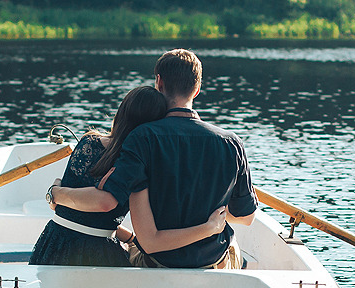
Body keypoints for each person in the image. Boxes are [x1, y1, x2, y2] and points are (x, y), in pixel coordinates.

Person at [49, 49, 257, 269]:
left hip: (158, 262)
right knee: (235, 250)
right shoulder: (232, 143)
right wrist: (213, 220)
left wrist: (56, 193)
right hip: (215, 260)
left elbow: (138, 232)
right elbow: (246, 217)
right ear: (197, 90)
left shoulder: (141, 138)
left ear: (159, 82)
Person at [30, 85, 225, 267]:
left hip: (56, 240)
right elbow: (103, 206)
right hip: (97, 250)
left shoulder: (89, 143)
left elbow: (83, 218)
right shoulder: (139, 161)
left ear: (122, 111)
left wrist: (55, 193)